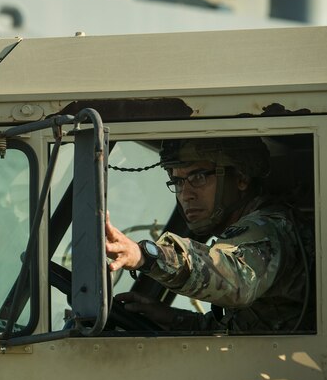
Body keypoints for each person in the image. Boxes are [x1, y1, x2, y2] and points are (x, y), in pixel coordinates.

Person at [105, 137, 314, 333]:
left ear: (241, 178)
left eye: (198, 177)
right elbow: (245, 330)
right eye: (178, 182)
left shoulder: (269, 228)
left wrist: (146, 255)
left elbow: (236, 279)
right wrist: (173, 319)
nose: (186, 194)